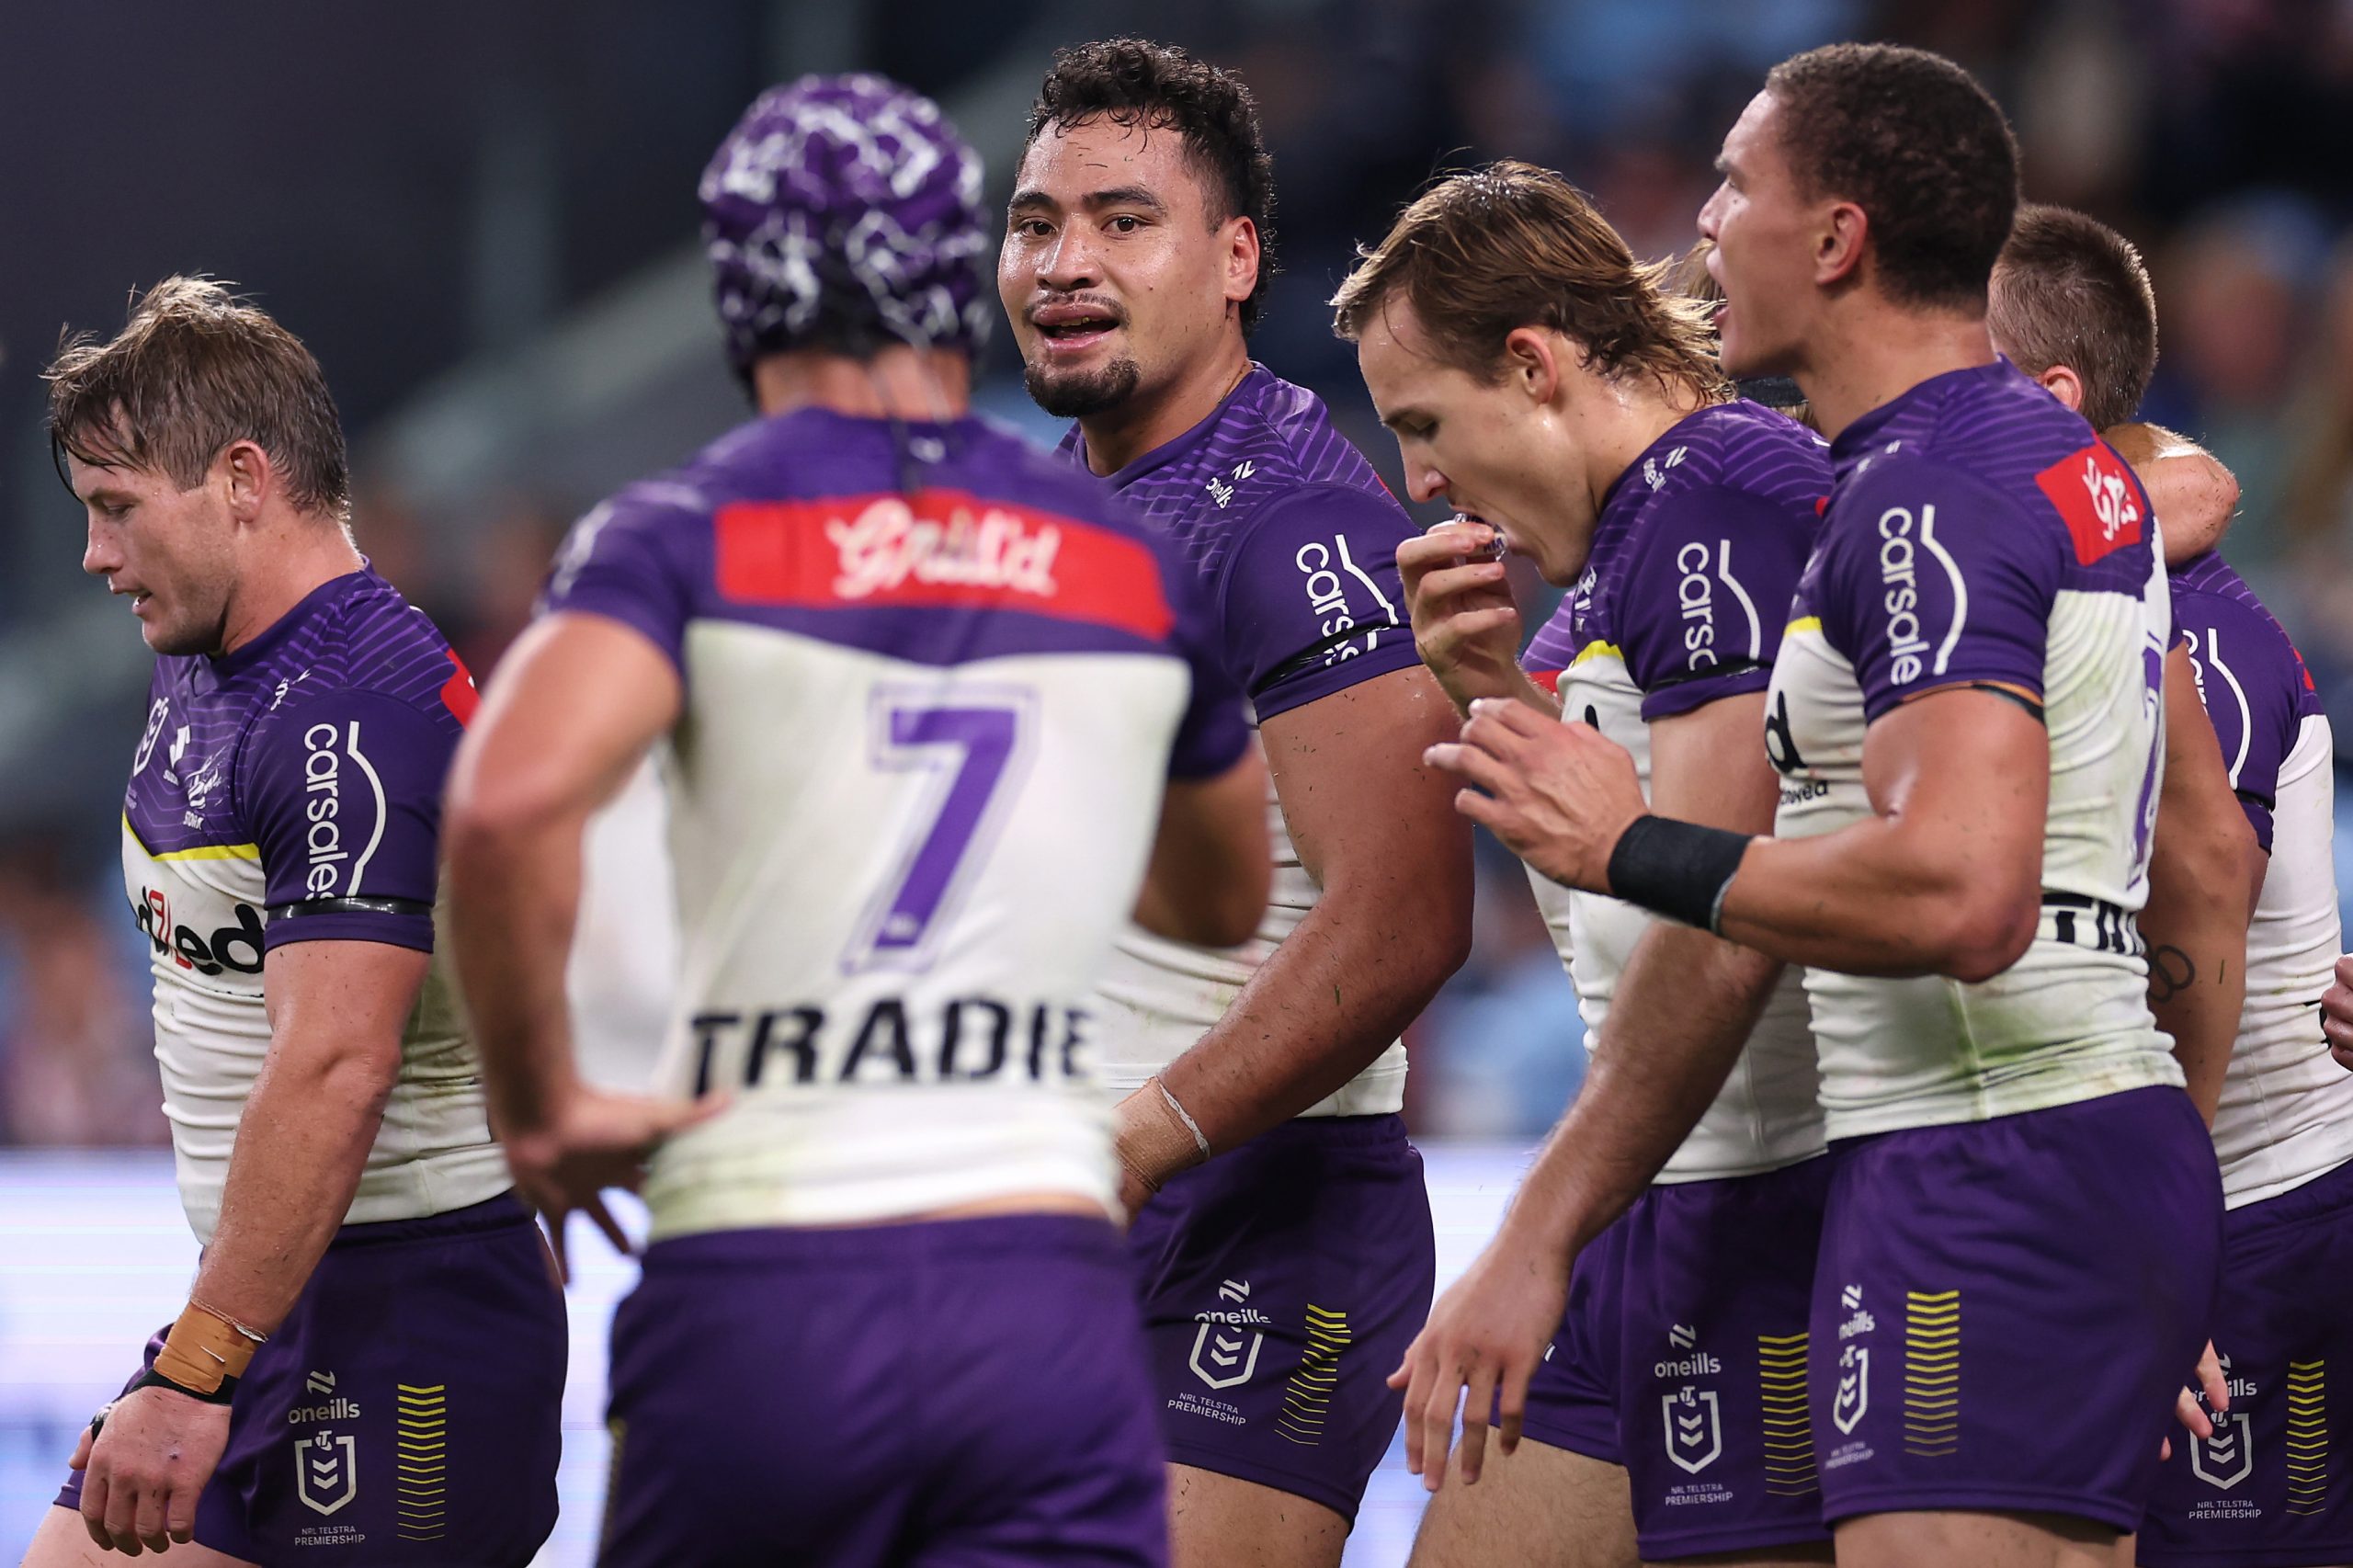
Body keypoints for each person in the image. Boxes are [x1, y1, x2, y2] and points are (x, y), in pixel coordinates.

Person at [1395, 44, 2239, 1568]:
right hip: (2028, 1147)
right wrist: (2151, 1187)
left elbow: (1963, 894)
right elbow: (2199, 856)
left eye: (1735, 184)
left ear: (1837, 239)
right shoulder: (2028, 463)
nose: (1702, 223)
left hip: (1986, 1162)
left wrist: (1632, 843)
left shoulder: (1917, 495)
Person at [442, 74, 1269, 1568]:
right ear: (951, 274)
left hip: (766, 1273)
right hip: (1043, 1289)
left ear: (738, 290)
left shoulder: (683, 536)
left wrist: (542, 1109)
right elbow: (1222, 899)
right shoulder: (1119, 560)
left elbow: (502, 807)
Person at [999, 39, 1471, 1566]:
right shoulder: (1046, 516)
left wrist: (1145, 1136)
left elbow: (1405, 918)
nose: (1065, 262)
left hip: (1256, 1224)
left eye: (1123, 220)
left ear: (1235, 257)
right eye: (1035, 224)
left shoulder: (1290, 518)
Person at [1331, 162, 1835, 1568]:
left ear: (1536, 366)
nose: (1420, 482)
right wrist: (1493, 682)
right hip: (1651, 1200)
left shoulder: (1717, 494)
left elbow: (1731, 916)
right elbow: (1642, 863)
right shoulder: (1628, 551)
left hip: (1761, 1215)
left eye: (1425, 425)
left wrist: (1532, 1230)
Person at [28, 278, 564, 1566]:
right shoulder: (211, 657)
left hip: (407, 1319)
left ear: (241, 478)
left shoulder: (348, 708)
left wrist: (196, 1373)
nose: (96, 558)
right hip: (281, 1297)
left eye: (116, 510)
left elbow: (335, 1060)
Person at [1990, 202, 2353, 1568]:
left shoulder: (2199, 632)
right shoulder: (2046, 586)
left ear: (2045, 399)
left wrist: (2168, 1250)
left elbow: (2201, 910)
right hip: (2104, 1216)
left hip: (2253, 1228)